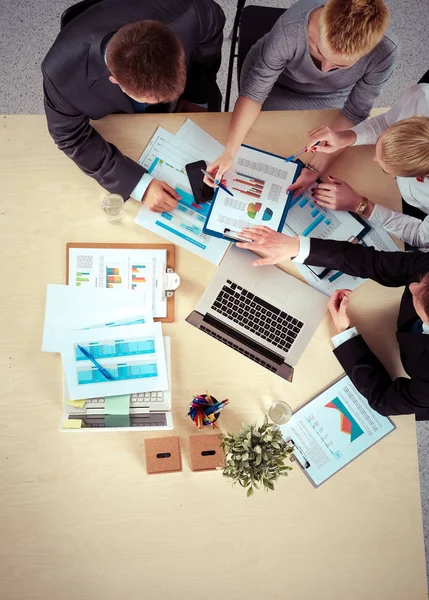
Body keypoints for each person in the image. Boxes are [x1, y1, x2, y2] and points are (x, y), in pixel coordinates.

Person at [42, 0, 225, 213]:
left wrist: (196, 96)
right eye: (151, 99)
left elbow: (213, 26)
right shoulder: (61, 74)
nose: (165, 104)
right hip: (119, 121)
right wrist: (140, 186)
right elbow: (70, 136)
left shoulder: (192, 12)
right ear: (115, 80)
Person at [205, 0, 398, 197]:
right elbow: (254, 93)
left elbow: (355, 110)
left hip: (331, 97)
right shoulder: (292, 28)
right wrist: (229, 153)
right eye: (319, 53)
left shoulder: (385, 52)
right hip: (275, 85)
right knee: (260, 140)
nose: (323, 70)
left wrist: (315, 170)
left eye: (338, 67)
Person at [235, 225, 429, 420]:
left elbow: (383, 401)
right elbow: (375, 263)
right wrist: (295, 247)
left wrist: (346, 334)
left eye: (419, 294)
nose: (412, 285)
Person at [306, 84, 429, 248]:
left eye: (386, 170)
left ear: (423, 176)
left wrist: (360, 205)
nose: (374, 159)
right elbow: (386, 121)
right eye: (380, 141)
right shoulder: (421, 98)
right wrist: (346, 137)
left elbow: (420, 236)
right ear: (413, 118)